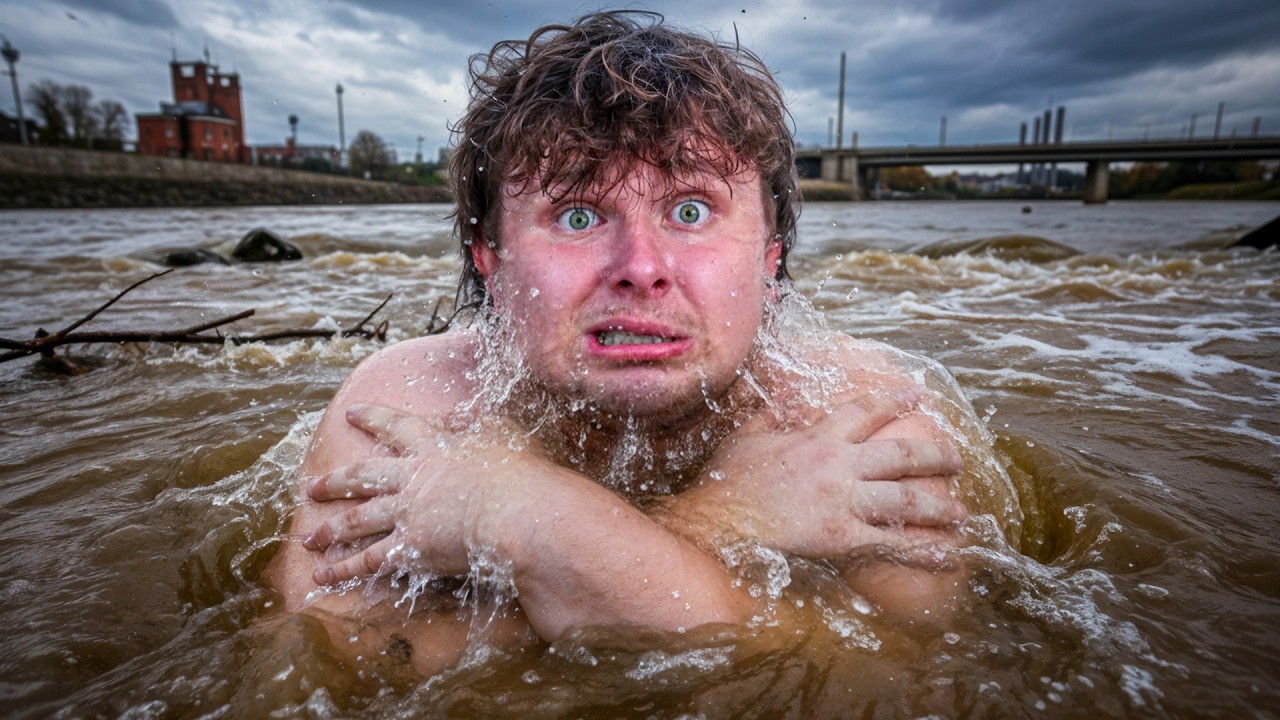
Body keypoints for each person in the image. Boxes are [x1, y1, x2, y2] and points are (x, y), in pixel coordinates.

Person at [265, 10, 1002, 677]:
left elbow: (902, 666)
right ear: (490, 259)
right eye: (578, 216)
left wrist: (518, 523)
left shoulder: (854, 420)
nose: (641, 270)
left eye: (690, 209)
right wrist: (721, 534)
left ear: (768, 259)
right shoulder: (404, 408)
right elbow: (342, 657)